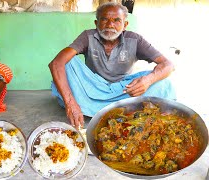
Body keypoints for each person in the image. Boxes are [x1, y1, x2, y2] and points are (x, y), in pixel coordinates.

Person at [48, 2, 176, 128]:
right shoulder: (88, 36)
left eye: (116, 20)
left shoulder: (135, 39)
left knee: (164, 83)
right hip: (91, 89)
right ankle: (122, 110)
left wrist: (148, 80)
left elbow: (168, 64)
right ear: (96, 23)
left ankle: (97, 108)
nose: (110, 25)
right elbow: (56, 63)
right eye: (104, 19)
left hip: (123, 91)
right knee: (67, 63)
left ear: (125, 25)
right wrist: (71, 103)